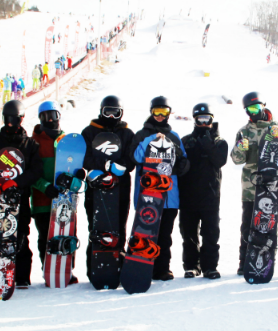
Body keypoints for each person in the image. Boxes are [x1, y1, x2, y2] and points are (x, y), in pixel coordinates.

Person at [0, 100, 43, 288]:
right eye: (7, 119)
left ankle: (21, 276)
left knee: (20, 236)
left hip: (19, 198)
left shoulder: (30, 144)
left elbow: (36, 170)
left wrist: (18, 182)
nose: (10, 123)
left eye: (14, 119)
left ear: (21, 119)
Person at [229, 92, 278, 276]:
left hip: (274, 188)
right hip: (252, 187)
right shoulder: (244, 131)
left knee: (270, 226)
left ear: (263, 106)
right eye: (250, 109)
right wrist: (241, 146)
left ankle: (267, 261)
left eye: (257, 108)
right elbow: (236, 159)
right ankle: (245, 262)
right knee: (248, 226)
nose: (254, 112)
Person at [129, 96, 191, 281]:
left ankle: (162, 268)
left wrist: (181, 164)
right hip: (147, 194)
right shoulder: (141, 135)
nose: (160, 116)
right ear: (151, 112)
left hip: (169, 195)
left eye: (164, 112)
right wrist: (151, 141)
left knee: (165, 235)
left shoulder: (174, 137)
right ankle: (142, 265)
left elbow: (182, 159)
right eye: (157, 111)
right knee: (146, 232)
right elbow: (136, 158)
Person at [81, 96, 136, 280]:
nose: (111, 117)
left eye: (115, 113)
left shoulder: (127, 134)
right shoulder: (89, 132)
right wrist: (105, 165)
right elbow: (85, 158)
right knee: (97, 225)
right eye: (108, 112)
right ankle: (94, 267)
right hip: (96, 187)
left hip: (120, 187)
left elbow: (131, 159)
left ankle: (118, 265)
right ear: (101, 111)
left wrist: (122, 166)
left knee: (118, 226)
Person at [178, 103, 229, 279]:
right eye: (200, 119)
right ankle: (192, 266)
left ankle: (210, 267)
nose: (203, 123)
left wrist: (209, 145)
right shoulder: (185, 141)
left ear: (212, 120)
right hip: (188, 196)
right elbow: (178, 163)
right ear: (194, 120)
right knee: (189, 233)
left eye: (207, 119)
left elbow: (220, 161)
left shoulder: (219, 142)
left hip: (210, 196)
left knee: (210, 233)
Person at [28, 101, 74, 279]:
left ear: (59, 116)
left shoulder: (66, 140)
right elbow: (29, 172)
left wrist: (78, 174)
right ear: (40, 119)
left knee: (66, 234)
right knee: (45, 237)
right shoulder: (34, 142)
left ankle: (66, 270)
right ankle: (47, 269)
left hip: (64, 200)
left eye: (53, 115)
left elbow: (73, 164)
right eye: (45, 116)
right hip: (42, 200)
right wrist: (44, 186)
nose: (50, 120)